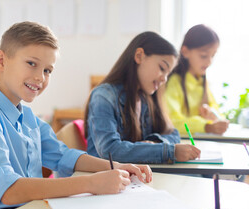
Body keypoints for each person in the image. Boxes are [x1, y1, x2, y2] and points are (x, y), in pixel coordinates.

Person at [0, 21, 153, 209]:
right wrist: (91, 183)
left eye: (47, 70)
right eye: (31, 63)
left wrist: (116, 167)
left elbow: (63, 156)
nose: (41, 77)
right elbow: (9, 191)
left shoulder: (27, 117)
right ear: (1, 60)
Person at [84, 32, 201, 164]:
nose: (164, 79)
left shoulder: (146, 97)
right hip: (104, 177)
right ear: (139, 56)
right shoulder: (104, 96)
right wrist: (169, 151)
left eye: (168, 74)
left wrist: (154, 143)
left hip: (133, 175)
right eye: (162, 68)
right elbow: (110, 151)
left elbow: (173, 133)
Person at [164, 24, 229, 135]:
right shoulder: (175, 82)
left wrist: (212, 116)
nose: (209, 62)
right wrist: (206, 126)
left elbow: (218, 115)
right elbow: (172, 122)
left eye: (213, 56)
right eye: (204, 55)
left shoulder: (203, 82)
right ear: (185, 52)